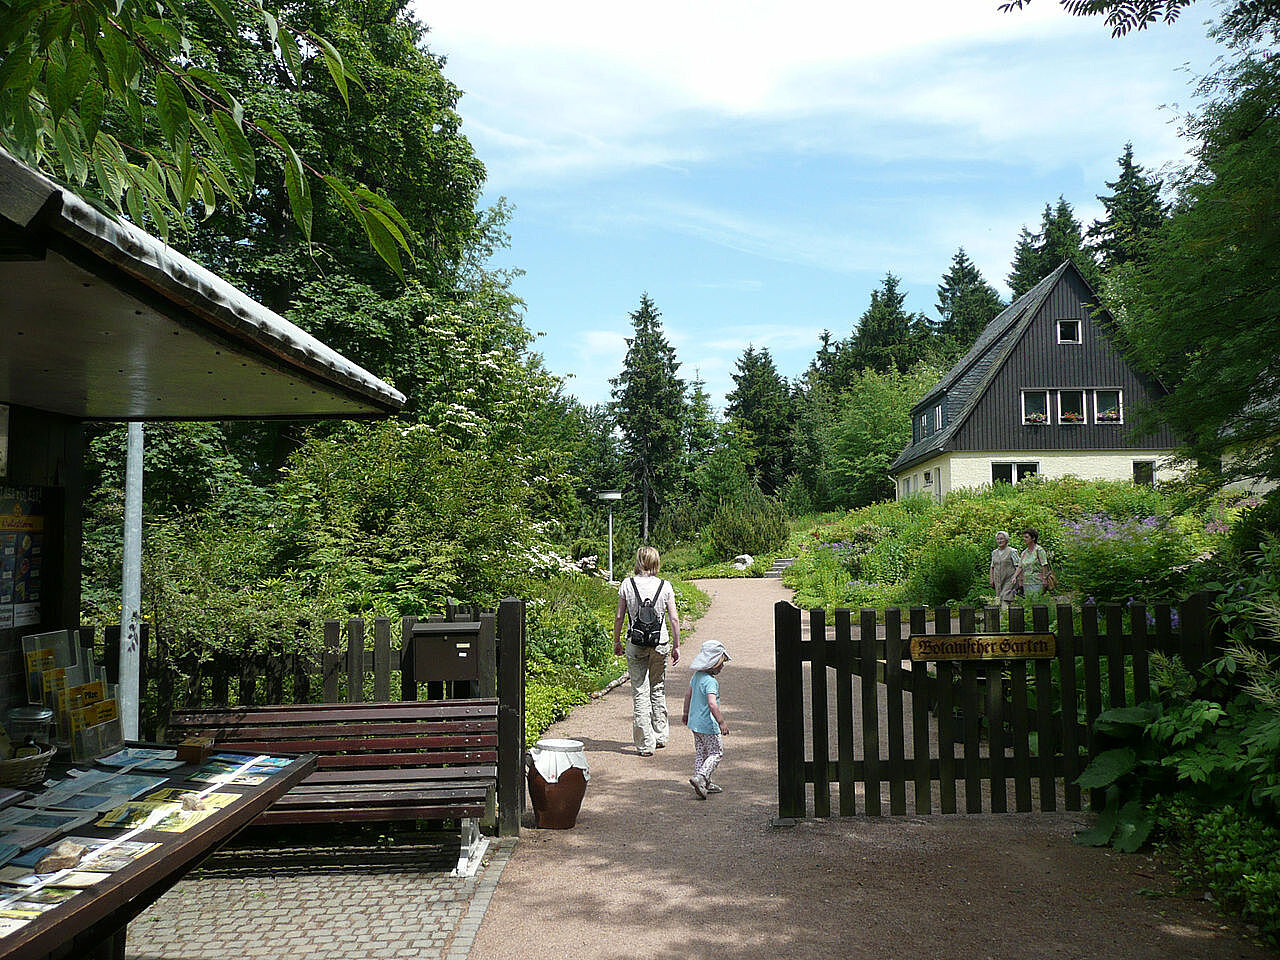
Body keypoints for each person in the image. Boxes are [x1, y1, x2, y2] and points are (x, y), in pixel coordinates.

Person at [613, 546, 680, 756]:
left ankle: (645, 744)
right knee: (657, 686)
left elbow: (619, 617)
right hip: (660, 643)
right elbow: (674, 618)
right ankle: (660, 735)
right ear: (656, 562)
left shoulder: (627, 584)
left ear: (639, 561)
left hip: (636, 643)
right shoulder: (665, 585)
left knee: (640, 691)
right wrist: (676, 645)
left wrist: (616, 641)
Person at [682, 639, 731, 800]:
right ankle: (701, 777)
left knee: (701, 753)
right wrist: (721, 722)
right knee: (716, 753)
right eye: (722, 662)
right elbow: (712, 703)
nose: (723, 666)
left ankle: (703, 782)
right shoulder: (711, 682)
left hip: (695, 724)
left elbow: (688, 695)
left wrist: (685, 713)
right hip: (708, 725)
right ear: (714, 663)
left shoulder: (696, 676)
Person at [1017, 527, 1051, 598]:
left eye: (1026, 537)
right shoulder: (1024, 553)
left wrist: (1045, 579)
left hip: (1037, 581)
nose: (1024, 539)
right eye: (1024, 537)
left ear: (1033, 538)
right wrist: (1018, 579)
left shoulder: (1039, 550)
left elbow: (1044, 565)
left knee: (1037, 602)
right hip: (1026, 582)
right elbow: (1020, 567)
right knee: (1028, 602)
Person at [989, 530, 1019, 602]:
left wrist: (1018, 578)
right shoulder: (994, 552)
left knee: (1006, 597)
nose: (999, 541)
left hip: (1010, 579)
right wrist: (991, 579)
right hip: (998, 580)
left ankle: (1005, 611)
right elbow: (992, 567)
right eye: (998, 539)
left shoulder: (1012, 551)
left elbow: (1018, 566)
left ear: (1006, 540)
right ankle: (1002, 612)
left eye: (1001, 539)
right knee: (998, 598)